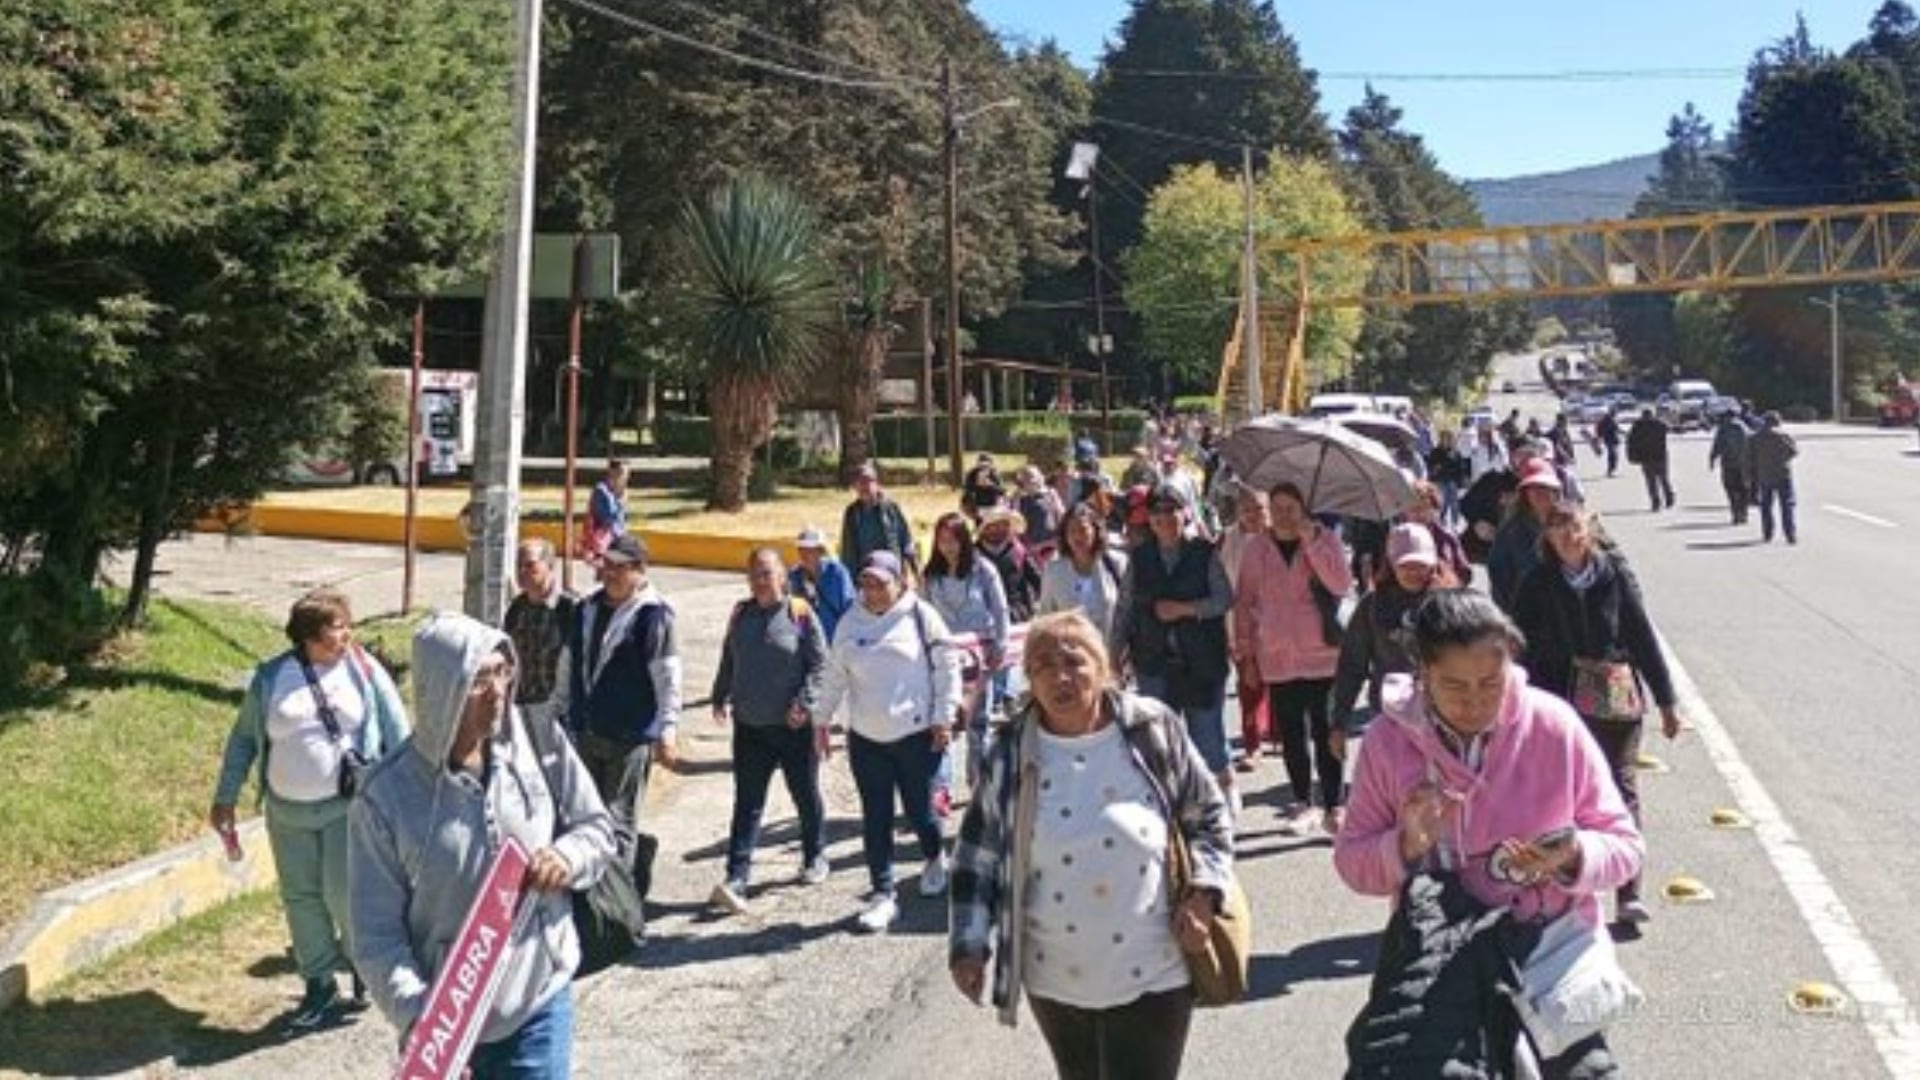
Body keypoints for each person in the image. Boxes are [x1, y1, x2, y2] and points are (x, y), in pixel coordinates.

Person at [1334, 590, 1643, 1076]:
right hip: (1440, 961)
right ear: (1422, 673)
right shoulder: (1386, 743)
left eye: (1490, 683)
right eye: (1454, 685)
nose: (1474, 702)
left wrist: (1571, 855)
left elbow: (1625, 846)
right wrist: (1406, 844)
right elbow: (1352, 860)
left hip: (1552, 953)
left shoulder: (1553, 726)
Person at [948, 612, 1234, 1079]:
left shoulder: (1151, 726)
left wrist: (1204, 894)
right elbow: (976, 856)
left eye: (1074, 661)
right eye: (1042, 665)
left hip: (1154, 966)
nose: (1060, 676)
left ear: (1102, 668)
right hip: (1056, 977)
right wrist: (969, 946)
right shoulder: (1011, 751)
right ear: (1029, 680)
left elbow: (1209, 816)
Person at [351, 612, 614, 1078]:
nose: (497, 691)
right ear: (439, 690)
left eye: (501, 671)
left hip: (538, 996)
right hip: (448, 1022)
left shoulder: (541, 740)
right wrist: (423, 1020)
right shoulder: (385, 798)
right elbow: (375, 936)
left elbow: (596, 828)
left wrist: (568, 857)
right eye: (477, 679)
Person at [211, 588, 410, 1033]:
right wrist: (225, 797)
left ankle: (363, 962)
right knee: (301, 899)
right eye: (337, 627)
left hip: (349, 809)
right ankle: (318, 984)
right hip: (287, 812)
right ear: (310, 637)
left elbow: (398, 734)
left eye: (345, 625)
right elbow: (243, 739)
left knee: (344, 895)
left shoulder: (363, 670)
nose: (347, 634)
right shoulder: (271, 677)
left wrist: (408, 799)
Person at [1512, 502, 1680, 927]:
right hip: (1558, 702)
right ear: (1547, 536)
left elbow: (1641, 635)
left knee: (1621, 788)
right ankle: (1562, 888)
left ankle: (1629, 891)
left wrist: (1666, 700)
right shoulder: (1535, 582)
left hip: (1613, 698)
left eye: (1574, 526)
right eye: (1557, 527)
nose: (1568, 535)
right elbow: (1515, 643)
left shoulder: (1614, 575)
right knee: (1562, 796)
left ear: (1589, 530)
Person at [811, 552, 964, 933]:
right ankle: (883, 894)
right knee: (875, 817)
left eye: (881, 583)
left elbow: (948, 667)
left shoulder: (920, 616)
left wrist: (943, 716)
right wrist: (821, 721)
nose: (873, 591)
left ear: (899, 582)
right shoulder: (850, 621)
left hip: (917, 736)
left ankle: (933, 858)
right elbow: (834, 675)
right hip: (867, 740)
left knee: (921, 813)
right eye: (866, 583)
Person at [546, 533, 681, 941]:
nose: (610, 574)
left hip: (630, 734)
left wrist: (667, 729)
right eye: (607, 565)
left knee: (619, 823)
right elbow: (570, 662)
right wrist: (558, 710)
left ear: (640, 571)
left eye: (620, 567)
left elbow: (667, 676)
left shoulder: (654, 616)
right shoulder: (587, 609)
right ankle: (593, 898)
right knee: (586, 817)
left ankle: (617, 912)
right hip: (588, 729)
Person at [709, 548, 831, 914]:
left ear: (782, 577)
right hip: (750, 728)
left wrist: (805, 704)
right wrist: (720, 693)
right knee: (747, 804)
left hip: (792, 728)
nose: (760, 580)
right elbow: (730, 657)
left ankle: (814, 856)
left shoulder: (800, 614)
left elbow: (821, 665)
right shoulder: (741, 614)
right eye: (755, 573)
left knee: (805, 795)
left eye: (767, 573)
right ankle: (737, 876)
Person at [1232, 481, 1355, 834]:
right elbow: (1244, 601)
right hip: (1276, 654)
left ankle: (1334, 803)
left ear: (1304, 509)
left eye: (1291, 508)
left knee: (1326, 731)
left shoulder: (1324, 538)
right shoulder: (1258, 548)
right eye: (1277, 507)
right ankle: (1302, 801)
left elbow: (1340, 584)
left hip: (1322, 653)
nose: (1284, 515)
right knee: (1291, 734)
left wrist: (1312, 542)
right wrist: (1246, 653)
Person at [1114, 486, 1237, 810]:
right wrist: (1113, 655)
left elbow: (1224, 599)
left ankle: (1221, 792)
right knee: (1159, 742)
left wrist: (1186, 609)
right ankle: (1171, 805)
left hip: (1202, 660)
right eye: (1157, 513)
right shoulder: (1139, 558)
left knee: (1207, 738)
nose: (1165, 519)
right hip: (1153, 660)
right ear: (1149, 520)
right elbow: (1124, 609)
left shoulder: (1204, 552)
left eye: (1172, 511)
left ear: (1185, 514)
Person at [1331, 524, 1445, 776]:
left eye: (1421, 565)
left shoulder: (1450, 604)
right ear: (1391, 564)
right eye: (1405, 565)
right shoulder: (1372, 606)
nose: (1413, 572)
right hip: (1389, 714)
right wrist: (1339, 722)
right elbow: (1351, 664)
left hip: (1442, 715)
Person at [924, 512, 1012, 789]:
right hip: (944, 658)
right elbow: (922, 614)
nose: (948, 546)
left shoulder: (983, 570)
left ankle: (978, 784)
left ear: (965, 541)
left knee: (978, 724)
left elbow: (1000, 610)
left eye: (953, 540)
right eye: (942, 540)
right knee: (944, 721)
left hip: (979, 657)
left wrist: (1001, 644)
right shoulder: (930, 576)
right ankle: (941, 788)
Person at [1216, 486, 1272, 773]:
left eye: (1259, 509)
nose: (1253, 515)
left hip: (1277, 623)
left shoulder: (1280, 537)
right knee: (1248, 682)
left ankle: (1276, 731)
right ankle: (1252, 744)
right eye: (1247, 509)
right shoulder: (1228, 539)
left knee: (1277, 682)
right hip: (1238, 620)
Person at [1036, 502, 1129, 642]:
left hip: (1111, 652)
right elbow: (1046, 616)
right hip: (1070, 654)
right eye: (1071, 531)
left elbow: (1129, 611)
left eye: (1082, 530)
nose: (1077, 536)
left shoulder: (1117, 563)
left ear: (1095, 530)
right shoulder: (1053, 571)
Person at [503, 538, 577, 709]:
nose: (522, 571)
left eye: (530, 565)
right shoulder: (516, 609)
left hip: (556, 709)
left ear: (549, 566)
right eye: (518, 564)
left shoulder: (569, 609)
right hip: (520, 706)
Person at [1488, 458, 1563, 613]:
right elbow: (1500, 580)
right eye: (1532, 488)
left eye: (1544, 486)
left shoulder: (1575, 523)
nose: (1539, 493)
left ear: (1556, 491)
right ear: (1524, 494)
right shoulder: (1510, 532)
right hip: (1531, 617)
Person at [840, 463, 919, 583]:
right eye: (859, 482)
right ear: (855, 486)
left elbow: (906, 540)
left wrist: (916, 570)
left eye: (868, 481)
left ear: (877, 483)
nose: (864, 486)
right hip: (866, 577)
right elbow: (848, 551)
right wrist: (849, 581)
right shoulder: (852, 513)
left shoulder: (891, 508)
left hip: (892, 573)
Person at [977, 504, 1042, 624]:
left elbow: (1036, 578)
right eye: (994, 526)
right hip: (984, 617)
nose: (1000, 530)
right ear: (985, 529)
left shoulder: (1018, 551)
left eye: (1004, 525)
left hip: (1018, 614)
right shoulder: (974, 554)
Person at [790, 525, 856, 643]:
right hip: (811, 642)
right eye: (801, 550)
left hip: (837, 639)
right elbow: (797, 614)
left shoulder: (837, 573)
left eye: (810, 550)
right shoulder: (795, 576)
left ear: (821, 551)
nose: (804, 555)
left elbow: (849, 607)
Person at [1747, 411, 1800, 544]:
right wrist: (1782, 460)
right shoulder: (1783, 436)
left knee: (1766, 505)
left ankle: (1768, 533)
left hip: (1764, 475)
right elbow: (1794, 452)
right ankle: (1790, 534)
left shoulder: (1755, 437)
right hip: (1783, 474)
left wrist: (1751, 472)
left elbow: (1749, 458)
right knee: (1787, 505)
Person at [1407, 481, 1471, 587]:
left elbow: (1464, 572)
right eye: (1412, 509)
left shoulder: (1447, 536)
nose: (1417, 514)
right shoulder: (1398, 538)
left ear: (1435, 509)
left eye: (1423, 508)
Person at [1708, 410, 1754, 525]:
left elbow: (1717, 445)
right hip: (1742, 464)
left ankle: (1736, 513)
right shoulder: (1745, 429)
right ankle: (1742, 513)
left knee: (1731, 489)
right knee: (1743, 489)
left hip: (1729, 464)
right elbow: (1752, 445)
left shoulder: (1723, 429)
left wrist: (1712, 458)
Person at [1626, 408, 1675, 511]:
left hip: (1646, 457)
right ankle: (1669, 499)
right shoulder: (1659, 424)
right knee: (1664, 479)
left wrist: (1632, 457)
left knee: (1651, 481)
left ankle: (1655, 502)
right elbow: (1671, 428)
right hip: (1660, 456)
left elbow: (1630, 442)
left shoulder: (1638, 426)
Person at [1015, 465, 1065, 561]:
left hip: (1051, 543)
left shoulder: (1051, 494)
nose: (1030, 480)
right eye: (1026, 477)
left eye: (1032, 476)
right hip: (1030, 546)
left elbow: (1060, 515)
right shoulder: (1019, 499)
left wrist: (1060, 537)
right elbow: (1016, 522)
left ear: (1040, 478)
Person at [583, 459, 630, 560]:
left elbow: (622, 518)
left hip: (619, 536)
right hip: (603, 538)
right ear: (612, 472)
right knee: (606, 569)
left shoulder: (622, 491)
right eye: (622, 472)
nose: (625, 477)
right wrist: (620, 504)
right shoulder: (601, 490)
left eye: (627, 473)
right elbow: (604, 517)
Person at [1427, 429, 1472, 527]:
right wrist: (1436, 468)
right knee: (1443, 503)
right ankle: (1441, 523)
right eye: (1444, 438)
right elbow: (1431, 465)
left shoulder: (1455, 452)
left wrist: (1462, 479)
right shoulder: (1435, 452)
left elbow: (1460, 466)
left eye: (1448, 438)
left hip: (1452, 481)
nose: (1446, 440)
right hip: (1440, 480)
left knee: (1454, 504)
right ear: (1441, 439)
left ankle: (1455, 524)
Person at [963, 453, 1005, 521]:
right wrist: (976, 485)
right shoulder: (972, 474)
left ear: (991, 464)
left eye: (986, 466)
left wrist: (991, 485)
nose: (984, 468)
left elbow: (1002, 491)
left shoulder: (994, 474)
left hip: (993, 506)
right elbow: (967, 490)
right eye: (981, 465)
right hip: (977, 506)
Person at [1595, 408, 1623, 478]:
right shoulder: (1610, 420)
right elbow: (1617, 429)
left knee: (1613, 455)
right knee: (1613, 456)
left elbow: (1616, 429)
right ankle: (1610, 471)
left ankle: (1611, 471)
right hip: (1610, 440)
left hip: (1609, 440)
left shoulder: (1607, 419)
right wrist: (1625, 433)